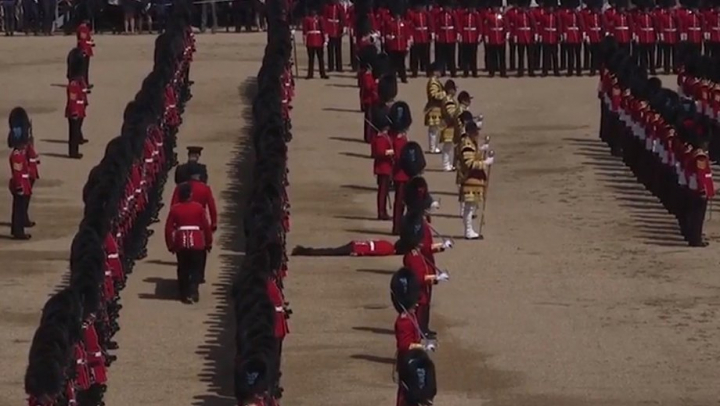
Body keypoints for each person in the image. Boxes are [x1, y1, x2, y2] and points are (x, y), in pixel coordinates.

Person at [400, 211, 449, 337]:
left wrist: (442, 246)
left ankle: (424, 328)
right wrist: (436, 277)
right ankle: (420, 330)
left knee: (426, 302)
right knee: (421, 304)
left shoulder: (417, 248)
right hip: (419, 286)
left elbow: (427, 247)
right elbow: (419, 278)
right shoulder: (413, 256)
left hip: (426, 275)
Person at [164, 182, 213, 304]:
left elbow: (169, 229)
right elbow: (206, 227)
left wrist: (170, 244)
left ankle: (184, 293)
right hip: (197, 241)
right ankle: (193, 291)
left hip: (181, 242)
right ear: (190, 195)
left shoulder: (175, 209)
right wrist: (208, 242)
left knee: (183, 267)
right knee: (196, 268)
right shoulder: (198, 208)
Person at [171, 162, 217, 283]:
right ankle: (199, 276)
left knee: (183, 260)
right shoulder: (205, 188)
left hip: (182, 223)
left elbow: (173, 206)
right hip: (200, 224)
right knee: (201, 254)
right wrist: (214, 223)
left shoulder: (181, 188)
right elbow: (212, 207)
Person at [457, 121, 493, 239]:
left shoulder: (470, 143)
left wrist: (481, 150)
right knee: (469, 207)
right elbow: (469, 163)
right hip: (469, 179)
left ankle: (469, 229)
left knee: (471, 207)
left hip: (473, 180)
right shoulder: (467, 144)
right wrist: (485, 163)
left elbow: (473, 155)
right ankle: (468, 231)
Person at [389, 101, 411, 235]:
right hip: (401, 174)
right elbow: (398, 157)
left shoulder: (402, 139)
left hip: (405, 174)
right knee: (399, 203)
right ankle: (397, 227)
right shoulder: (399, 141)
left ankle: (400, 225)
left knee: (403, 202)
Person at [8, 123, 32, 239]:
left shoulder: (20, 153)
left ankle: (17, 229)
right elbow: (18, 174)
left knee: (19, 208)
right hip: (20, 184)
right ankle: (18, 231)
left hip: (24, 183)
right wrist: (19, 187)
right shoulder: (16, 156)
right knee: (19, 209)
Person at [66, 50, 89, 159]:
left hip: (80, 108)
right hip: (75, 110)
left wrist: (85, 102)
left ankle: (78, 139)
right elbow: (73, 99)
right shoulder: (73, 84)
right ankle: (73, 152)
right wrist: (75, 111)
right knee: (73, 131)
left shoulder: (80, 80)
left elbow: (83, 93)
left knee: (77, 129)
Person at [371, 112, 394, 221]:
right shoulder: (380, 138)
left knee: (384, 192)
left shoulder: (384, 137)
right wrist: (391, 152)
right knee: (382, 192)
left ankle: (383, 210)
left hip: (386, 167)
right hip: (382, 168)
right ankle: (381, 212)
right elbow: (380, 152)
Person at [383, 5, 411, 83]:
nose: (397, 16)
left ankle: (403, 77)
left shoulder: (404, 24)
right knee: (392, 64)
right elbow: (387, 34)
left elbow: (407, 35)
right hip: (394, 46)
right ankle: (392, 78)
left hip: (401, 46)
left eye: (398, 15)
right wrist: (390, 37)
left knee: (402, 64)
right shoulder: (391, 24)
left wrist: (408, 45)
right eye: (396, 15)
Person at [423, 62, 446, 155]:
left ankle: (433, 146)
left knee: (435, 129)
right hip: (434, 108)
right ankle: (432, 147)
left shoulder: (434, 81)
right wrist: (445, 94)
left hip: (435, 108)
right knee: (433, 129)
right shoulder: (433, 82)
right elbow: (434, 95)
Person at [407, 0, 432, 78]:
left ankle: (428, 71)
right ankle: (414, 71)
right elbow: (410, 26)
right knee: (415, 56)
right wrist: (411, 36)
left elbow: (430, 24)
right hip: (416, 37)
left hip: (424, 37)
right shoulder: (413, 14)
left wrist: (431, 33)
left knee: (426, 56)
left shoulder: (426, 14)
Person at [303, 5, 329, 79]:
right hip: (311, 40)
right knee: (311, 58)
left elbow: (323, 29)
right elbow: (305, 30)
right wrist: (304, 39)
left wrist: (325, 38)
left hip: (319, 39)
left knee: (320, 58)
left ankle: (322, 73)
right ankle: (310, 74)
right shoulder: (307, 19)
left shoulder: (320, 19)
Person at [484, 0, 508, 78]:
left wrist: (507, 34)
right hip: (492, 38)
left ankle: (503, 72)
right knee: (492, 57)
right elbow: (487, 27)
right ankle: (492, 72)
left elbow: (506, 25)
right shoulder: (489, 16)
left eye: (497, 7)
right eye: (494, 7)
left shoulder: (502, 16)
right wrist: (487, 36)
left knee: (502, 57)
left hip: (501, 38)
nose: (496, 8)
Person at [457, 0, 481, 78]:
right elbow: (460, 25)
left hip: (473, 37)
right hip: (465, 37)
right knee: (465, 57)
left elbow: (479, 26)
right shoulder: (464, 15)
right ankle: (466, 72)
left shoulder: (476, 15)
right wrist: (460, 35)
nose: (471, 9)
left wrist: (479, 36)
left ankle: (474, 72)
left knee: (473, 56)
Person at [633, 0, 657, 75]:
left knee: (652, 55)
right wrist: (637, 37)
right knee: (643, 55)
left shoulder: (652, 16)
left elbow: (656, 26)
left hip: (651, 37)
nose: (646, 10)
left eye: (647, 8)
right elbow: (638, 27)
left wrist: (657, 36)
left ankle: (652, 69)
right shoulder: (640, 17)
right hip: (643, 37)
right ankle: (644, 69)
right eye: (645, 8)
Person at [559, 0, 582, 76]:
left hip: (577, 35)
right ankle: (570, 71)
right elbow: (565, 25)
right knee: (570, 55)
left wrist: (583, 34)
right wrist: (564, 34)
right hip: (570, 35)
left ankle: (578, 71)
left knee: (578, 55)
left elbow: (581, 25)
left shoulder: (578, 15)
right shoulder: (567, 15)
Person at [537, 0, 560, 77]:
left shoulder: (555, 16)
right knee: (546, 56)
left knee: (555, 56)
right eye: (549, 8)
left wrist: (559, 36)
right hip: (546, 37)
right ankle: (545, 71)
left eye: (551, 8)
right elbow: (541, 27)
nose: (550, 9)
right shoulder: (544, 16)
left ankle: (556, 71)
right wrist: (540, 35)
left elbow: (558, 26)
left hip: (553, 37)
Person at [434, 2, 457, 77]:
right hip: (442, 37)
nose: (447, 8)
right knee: (441, 56)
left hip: (450, 37)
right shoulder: (440, 15)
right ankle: (441, 71)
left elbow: (456, 24)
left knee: (451, 56)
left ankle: (453, 71)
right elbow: (437, 25)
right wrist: (437, 34)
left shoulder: (453, 15)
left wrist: (457, 34)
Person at [439, 79, 457, 172]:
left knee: (449, 147)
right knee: (447, 147)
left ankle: (448, 164)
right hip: (449, 126)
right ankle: (446, 165)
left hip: (449, 126)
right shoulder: (448, 100)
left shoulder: (448, 99)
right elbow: (451, 113)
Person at [323, 0, 345, 72]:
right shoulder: (327, 7)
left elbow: (342, 18)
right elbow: (325, 19)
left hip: (338, 28)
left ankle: (339, 67)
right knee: (330, 49)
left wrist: (342, 27)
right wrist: (326, 30)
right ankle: (331, 67)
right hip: (330, 28)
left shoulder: (340, 7)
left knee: (338, 50)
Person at [77, 19, 95, 85]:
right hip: (84, 50)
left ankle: (85, 82)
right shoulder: (83, 29)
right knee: (84, 69)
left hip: (84, 49)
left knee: (84, 69)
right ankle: (84, 83)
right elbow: (83, 41)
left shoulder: (82, 28)